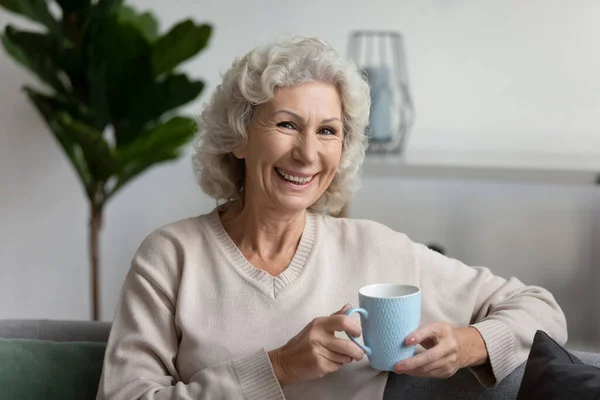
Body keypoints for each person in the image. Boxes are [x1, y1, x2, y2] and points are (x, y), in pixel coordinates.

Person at [96, 36, 568, 400]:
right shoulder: (171, 257)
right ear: (238, 139)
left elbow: (540, 309)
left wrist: (470, 344)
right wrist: (278, 367)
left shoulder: (376, 250)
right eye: (286, 124)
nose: (307, 154)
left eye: (327, 131)